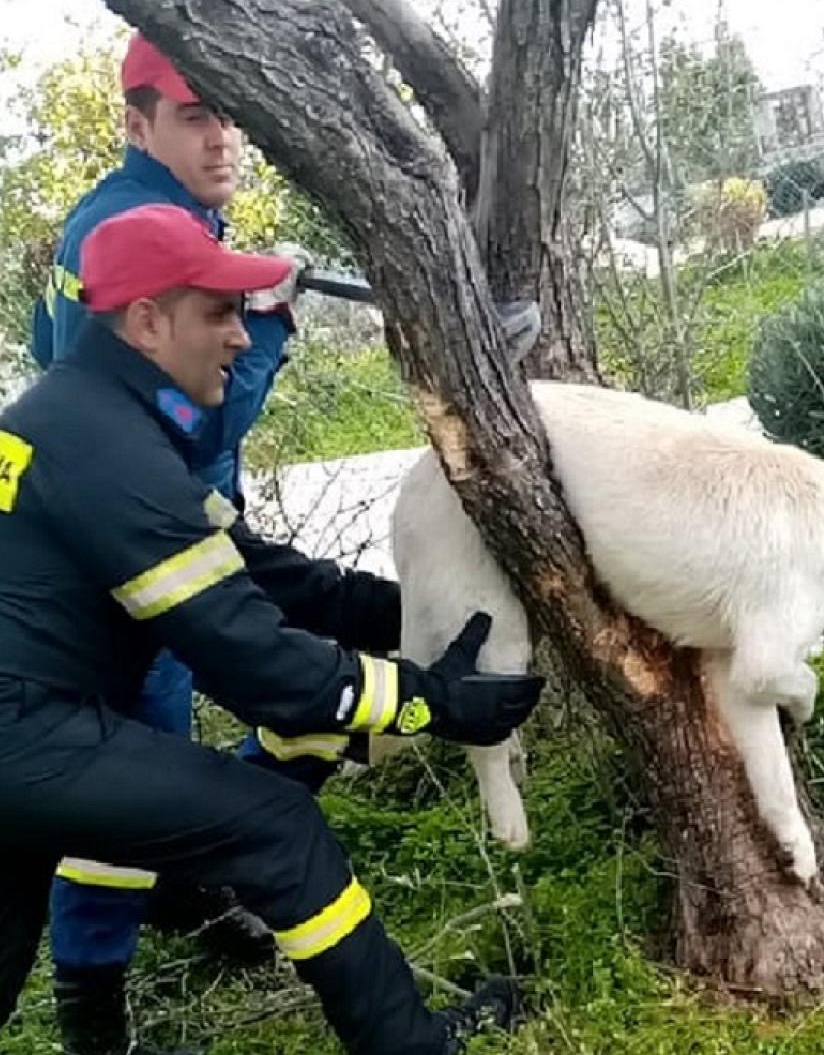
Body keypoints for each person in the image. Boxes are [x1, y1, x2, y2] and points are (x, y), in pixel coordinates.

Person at [0, 202, 544, 1055]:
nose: (242, 339)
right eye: (218, 313)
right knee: (276, 827)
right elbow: (256, 663)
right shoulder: (112, 449)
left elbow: (267, 576)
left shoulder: (93, 421)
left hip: (28, 730)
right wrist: (431, 701)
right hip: (25, 731)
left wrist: (424, 614)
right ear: (147, 321)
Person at [28, 31, 342, 1047]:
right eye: (193, 115)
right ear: (138, 123)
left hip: (179, 538)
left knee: (282, 706)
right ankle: (94, 1015)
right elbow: (190, 424)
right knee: (138, 768)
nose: (221, 138)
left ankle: (192, 881)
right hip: (132, 560)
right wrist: (274, 320)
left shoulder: (159, 220)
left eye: (228, 114)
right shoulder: (125, 233)